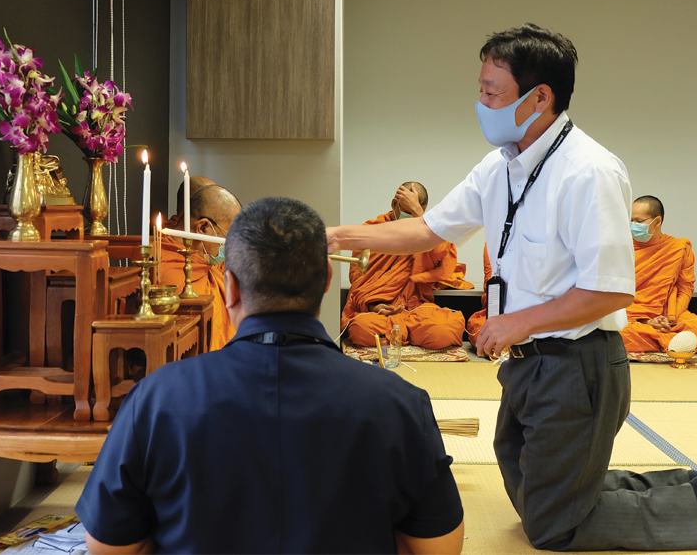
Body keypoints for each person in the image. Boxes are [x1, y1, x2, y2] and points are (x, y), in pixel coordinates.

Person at [325, 23, 697, 550]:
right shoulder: (499, 167)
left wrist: (515, 322)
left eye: (492, 92)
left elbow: (610, 291)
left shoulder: (589, 171)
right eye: (481, 90)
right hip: (526, 359)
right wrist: (336, 236)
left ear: (539, 98)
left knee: (555, 528)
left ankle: (689, 504)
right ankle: (677, 487)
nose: (481, 104)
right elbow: (428, 229)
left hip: (577, 363)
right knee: (522, 478)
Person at [77, 197, 465, 554]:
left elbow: (108, 547)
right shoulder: (399, 403)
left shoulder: (156, 398)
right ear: (328, 281)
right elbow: (440, 549)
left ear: (229, 287)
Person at [343, 182, 468, 350]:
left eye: (416, 212)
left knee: (445, 330)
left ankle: (399, 336)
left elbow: (444, 261)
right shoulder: (373, 230)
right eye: (407, 212)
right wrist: (374, 306)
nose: (410, 217)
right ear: (394, 204)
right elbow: (358, 280)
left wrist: (421, 218)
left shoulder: (429, 234)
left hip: (416, 308)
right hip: (380, 312)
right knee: (361, 328)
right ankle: (407, 336)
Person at [620, 195, 697, 352]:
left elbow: (685, 289)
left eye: (639, 221)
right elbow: (614, 292)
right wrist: (645, 321)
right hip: (630, 313)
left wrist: (669, 319)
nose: (633, 225)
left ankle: (658, 339)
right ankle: (673, 342)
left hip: (667, 313)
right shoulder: (622, 248)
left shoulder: (678, 248)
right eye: (631, 220)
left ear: (657, 221)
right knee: (616, 333)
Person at [159, 184, 240, 350]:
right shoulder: (165, 266)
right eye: (229, 236)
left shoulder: (205, 263)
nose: (229, 246)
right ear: (203, 227)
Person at [464, 244, 492, 345]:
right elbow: (491, 281)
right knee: (482, 333)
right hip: (496, 311)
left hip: (527, 314)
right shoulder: (494, 243)